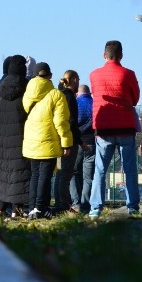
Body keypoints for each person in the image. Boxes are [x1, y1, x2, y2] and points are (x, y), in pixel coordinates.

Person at [88, 40, 141, 217]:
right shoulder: (129, 74)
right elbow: (134, 98)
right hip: (125, 126)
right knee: (130, 169)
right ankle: (132, 207)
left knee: (100, 170)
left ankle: (96, 207)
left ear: (104, 55)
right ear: (121, 55)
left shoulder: (94, 75)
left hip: (103, 128)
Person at [22, 62, 72, 219]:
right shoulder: (56, 95)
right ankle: (41, 208)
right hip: (48, 141)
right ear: (50, 75)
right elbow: (61, 122)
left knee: (35, 176)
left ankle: (32, 209)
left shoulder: (28, 94)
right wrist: (66, 143)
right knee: (45, 176)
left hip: (31, 142)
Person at [0, 55, 30, 219]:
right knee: (19, 174)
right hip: (21, 136)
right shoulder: (27, 87)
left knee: (3, 175)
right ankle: (16, 210)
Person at [53, 70, 82, 214]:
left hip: (58, 139)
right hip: (68, 140)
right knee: (66, 174)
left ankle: (59, 203)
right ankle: (63, 205)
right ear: (74, 80)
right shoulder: (70, 97)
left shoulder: (60, 95)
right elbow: (72, 122)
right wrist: (79, 141)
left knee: (60, 173)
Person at [71, 84, 95, 213]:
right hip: (92, 143)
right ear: (89, 93)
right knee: (88, 177)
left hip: (78, 143)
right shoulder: (94, 103)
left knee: (73, 173)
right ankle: (86, 205)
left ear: (78, 93)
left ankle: (76, 203)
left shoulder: (75, 103)